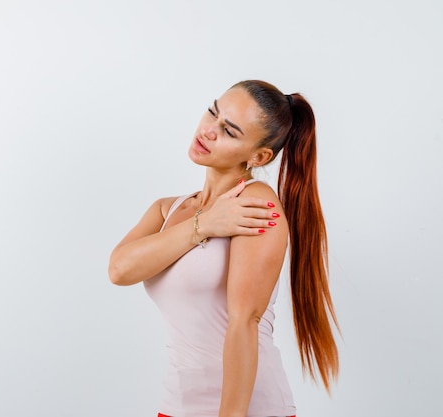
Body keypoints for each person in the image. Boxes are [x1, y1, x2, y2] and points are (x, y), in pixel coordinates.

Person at [108, 80, 340, 417]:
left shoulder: (256, 204)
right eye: (213, 112)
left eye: (229, 131)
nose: (208, 131)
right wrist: (204, 225)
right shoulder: (168, 209)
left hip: (248, 409)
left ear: (259, 156)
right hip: (178, 405)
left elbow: (245, 321)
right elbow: (119, 270)